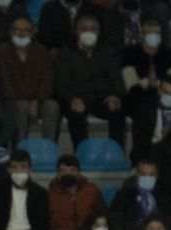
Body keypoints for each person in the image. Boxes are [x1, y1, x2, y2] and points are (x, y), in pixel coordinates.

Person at [54, 14, 126, 150]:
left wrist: (115, 95)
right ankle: (81, 153)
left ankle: (117, 152)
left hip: (102, 98)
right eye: (84, 28)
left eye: (93, 29)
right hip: (77, 98)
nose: (89, 32)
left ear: (99, 32)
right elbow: (61, 84)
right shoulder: (65, 53)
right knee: (75, 114)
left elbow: (116, 78)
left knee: (117, 110)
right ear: (76, 31)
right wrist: (72, 99)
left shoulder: (108, 51)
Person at [0, 16, 60, 143]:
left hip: (37, 100)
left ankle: (49, 147)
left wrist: (36, 101)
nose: (21, 33)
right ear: (11, 32)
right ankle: (21, 148)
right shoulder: (1, 51)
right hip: (13, 101)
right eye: (17, 30)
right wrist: (26, 101)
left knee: (52, 106)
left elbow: (47, 80)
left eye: (26, 30)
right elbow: (4, 83)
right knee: (20, 107)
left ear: (32, 32)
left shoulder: (41, 51)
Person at [48, 154, 107, 230]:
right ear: (58, 174)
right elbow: (45, 221)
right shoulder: (51, 194)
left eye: (72, 170)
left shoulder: (92, 190)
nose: (67, 174)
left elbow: (103, 214)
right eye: (63, 171)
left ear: (79, 173)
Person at [109, 158, 171, 230]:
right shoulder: (124, 194)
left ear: (157, 176)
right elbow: (115, 219)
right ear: (137, 174)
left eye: (151, 174)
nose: (147, 177)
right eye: (143, 174)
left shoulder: (166, 194)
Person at [130, 70, 171, 162]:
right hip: (149, 153)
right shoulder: (145, 107)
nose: (170, 96)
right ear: (159, 90)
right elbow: (139, 138)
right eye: (166, 92)